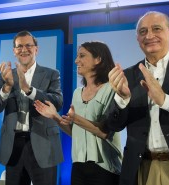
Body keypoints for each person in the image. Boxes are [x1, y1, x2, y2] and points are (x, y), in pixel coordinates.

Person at [107, 11, 169, 185]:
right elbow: (113, 125)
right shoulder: (129, 76)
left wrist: (165, 101)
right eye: (143, 32)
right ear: (138, 40)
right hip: (142, 169)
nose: (149, 35)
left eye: (156, 29)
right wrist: (121, 99)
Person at [34, 41, 122, 185]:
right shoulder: (77, 93)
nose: (76, 61)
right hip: (78, 166)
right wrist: (55, 116)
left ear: (98, 59)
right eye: (77, 56)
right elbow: (76, 133)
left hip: (105, 167)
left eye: (82, 56)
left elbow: (105, 132)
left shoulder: (111, 89)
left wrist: (75, 118)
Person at [0, 30, 64, 185]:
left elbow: (57, 101)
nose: (24, 49)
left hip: (42, 143)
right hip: (13, 145)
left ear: (36, 49)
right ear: (14, 51)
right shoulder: (6, 75)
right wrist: (6, 87)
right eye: (19, 46)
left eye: (28, 45)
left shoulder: (51, 74)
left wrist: (30, 90)